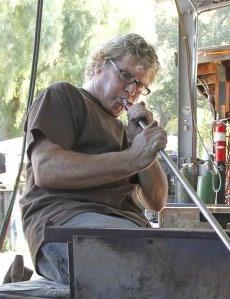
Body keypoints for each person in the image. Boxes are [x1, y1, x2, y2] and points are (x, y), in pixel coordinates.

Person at [20, 33, 168, 284]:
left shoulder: (125, 131)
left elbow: (157, 201)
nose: (131, 91)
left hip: (126, 226)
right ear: (100, 64)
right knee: (147, 268)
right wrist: (131, 158)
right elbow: (46, 169)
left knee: (183, 260)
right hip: (67, 219)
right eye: (126, 76)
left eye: (140, 86)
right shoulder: (64, 97)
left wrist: (142, 148)